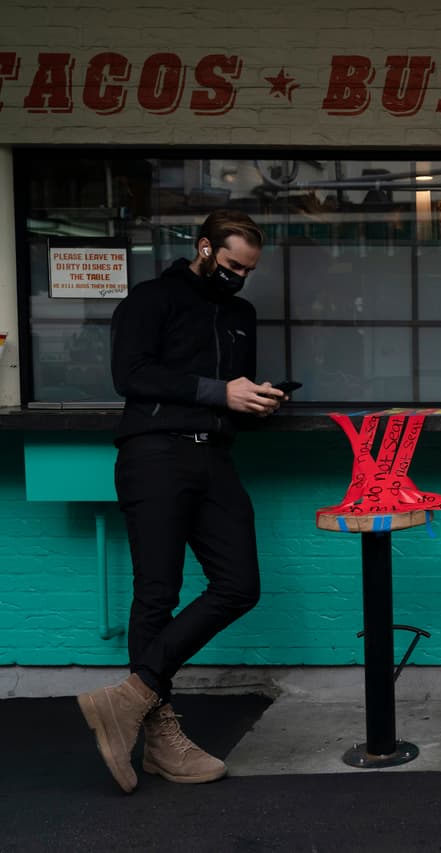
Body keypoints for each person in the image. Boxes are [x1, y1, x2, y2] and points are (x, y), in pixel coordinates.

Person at [77, 210, 287, 794]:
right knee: (157, 593)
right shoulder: (152, 298)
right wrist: (219, 391)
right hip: (155, 454)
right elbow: (130, 373)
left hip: (214, 457)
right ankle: (160, 738)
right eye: (231, 265)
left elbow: (233, 389)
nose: (239, 278)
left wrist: (256, 398)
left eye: (248, 270)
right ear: (203, 248)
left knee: (239, 585)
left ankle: (130, 696)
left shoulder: (241, 314)